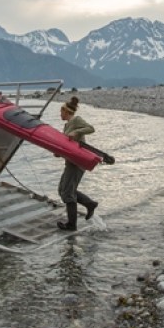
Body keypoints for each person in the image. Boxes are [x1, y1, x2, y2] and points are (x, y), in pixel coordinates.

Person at [57, 95, 99, 231]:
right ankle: (90, 204)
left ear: (66, 111)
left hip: (77, 163)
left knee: (68, 193)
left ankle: (71, 225)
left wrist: (76, 132)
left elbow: (91, 128)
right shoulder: (66, 125)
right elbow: (69, 145)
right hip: (70, 162)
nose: (60, 114)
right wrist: (59, 153)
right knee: (62, 190)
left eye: (61, 111)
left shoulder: (76, 120)